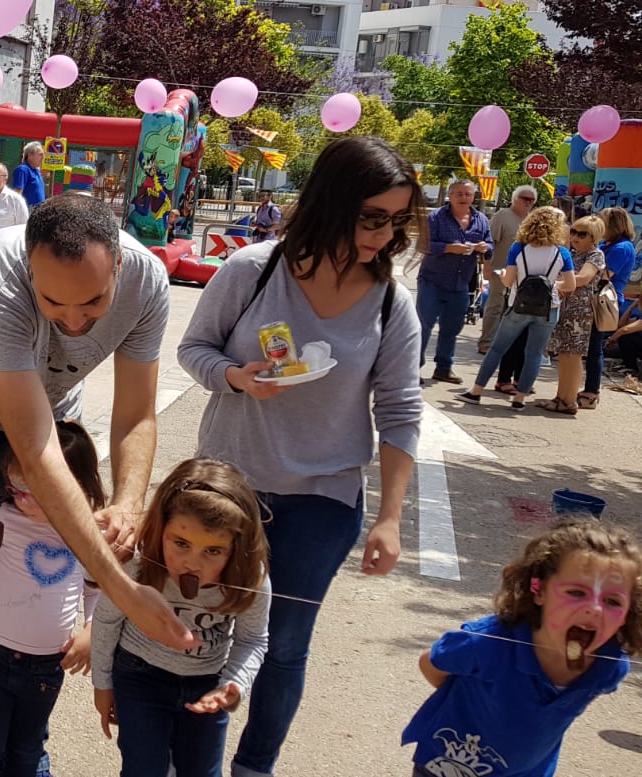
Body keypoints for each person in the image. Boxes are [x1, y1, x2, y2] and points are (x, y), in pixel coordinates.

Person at [0, 194, 195, 777]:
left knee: (52, 591)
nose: (72, 320)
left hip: (53, 420)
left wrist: (126, 503)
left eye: (93, 301)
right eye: (52, 302)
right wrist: (121, 587)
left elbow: (136, 412)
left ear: (120, 262)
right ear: (28, 270)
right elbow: (34, 454)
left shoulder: (148, 283)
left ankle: (20, 751)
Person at [176, 135, 422, 777]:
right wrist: (236, 377)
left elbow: (401, 411)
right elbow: (194, 349)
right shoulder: (252, 269)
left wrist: (389, 519)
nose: (385, 234)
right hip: (227, 490)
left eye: (398, 220)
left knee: (284, 645)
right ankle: (189, 758)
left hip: (324, 497)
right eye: (373, 217)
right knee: (199, 631)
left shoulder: (393, 304)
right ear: (333, 202)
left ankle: (254, 767)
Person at [403, 521, 639, 777]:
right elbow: (431, 664)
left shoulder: (609, 667)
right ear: (539, 591)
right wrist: (470, 704)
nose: (594, 609)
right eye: (576, 592)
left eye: (612, 601)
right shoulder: (488, 644)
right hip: (450, 765)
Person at [0, 420, 103, 777]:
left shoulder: (86, 531)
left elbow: (97, 588)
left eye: (31, 488)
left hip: (45, 666)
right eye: (15, 486)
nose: (20, 498)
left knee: (26, 750)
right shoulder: (7, 519)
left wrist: (92, 630)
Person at [92, 458, 271, 777]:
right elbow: (106, 620)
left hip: (207, 684)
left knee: (202, 771)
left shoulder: (250, 579)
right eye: (181, 543)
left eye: (213, 551)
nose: (192, 563)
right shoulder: (139, 566)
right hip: (140, 676)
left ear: (237, 547)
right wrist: (103, 685)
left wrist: (233, 685)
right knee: (144, 769)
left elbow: (253, 639)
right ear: (161, 528)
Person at [457, 208, 577, 410]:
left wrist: (504, 273)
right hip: (548, 309)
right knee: (534, 354)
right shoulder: (562, 252)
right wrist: (552, 285)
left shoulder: (519, 248)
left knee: (497, 349)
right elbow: (570, 285)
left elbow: (508, 280)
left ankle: (476, 391)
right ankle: (520, 398)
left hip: (518, 306)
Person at [418, 179, 493, 383]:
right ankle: (413, 369)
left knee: (452, 328)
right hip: (432, 281)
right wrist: (449, 248)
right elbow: (423, 245)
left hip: (461, 283)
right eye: (459, 193)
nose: (463, 198)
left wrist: (485, 248)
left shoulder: (481, 220)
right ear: (450, 196)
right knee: (423, 326)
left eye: (468, 194)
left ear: (474, 196)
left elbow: (490, 243)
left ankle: (443, 368)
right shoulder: (436, 217)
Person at [535, 215, 606, 415]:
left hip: (580, 312)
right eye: (573, 231)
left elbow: (583, 278)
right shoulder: (574, 253)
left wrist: (555, 282)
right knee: (565, 354)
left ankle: (568, 400)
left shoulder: (595, 255)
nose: (575, 237)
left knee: (573, 355)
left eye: (581, 234)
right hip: (566, 308)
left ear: (594, 237)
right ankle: (562, 397)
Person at [582, 208, 637, 409]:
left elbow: (604, 275)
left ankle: (591, 391)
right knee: (590, 347)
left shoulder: (621, 248)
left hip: (604, 302)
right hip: (596, 299)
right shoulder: (610, 245)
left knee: (595, 348)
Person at [479, 186, 537, 352]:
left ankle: (504, 343)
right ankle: (486, 342)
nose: (528, 202)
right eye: (525, 198)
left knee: (512, 309)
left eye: (531, 200)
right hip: (500, 270)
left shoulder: (532, 220)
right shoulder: (502, 216)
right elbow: (489, 245)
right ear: (515, 199)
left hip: (523, 275)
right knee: (495, 306)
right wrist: (487, 267)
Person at [14, 141, 47, 208]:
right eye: (40, 154)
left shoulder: (36, 171)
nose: (43, 157)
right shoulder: (23, 169)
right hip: (27, 210)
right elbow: (17, 193)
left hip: (38, 210)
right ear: (30, 155)